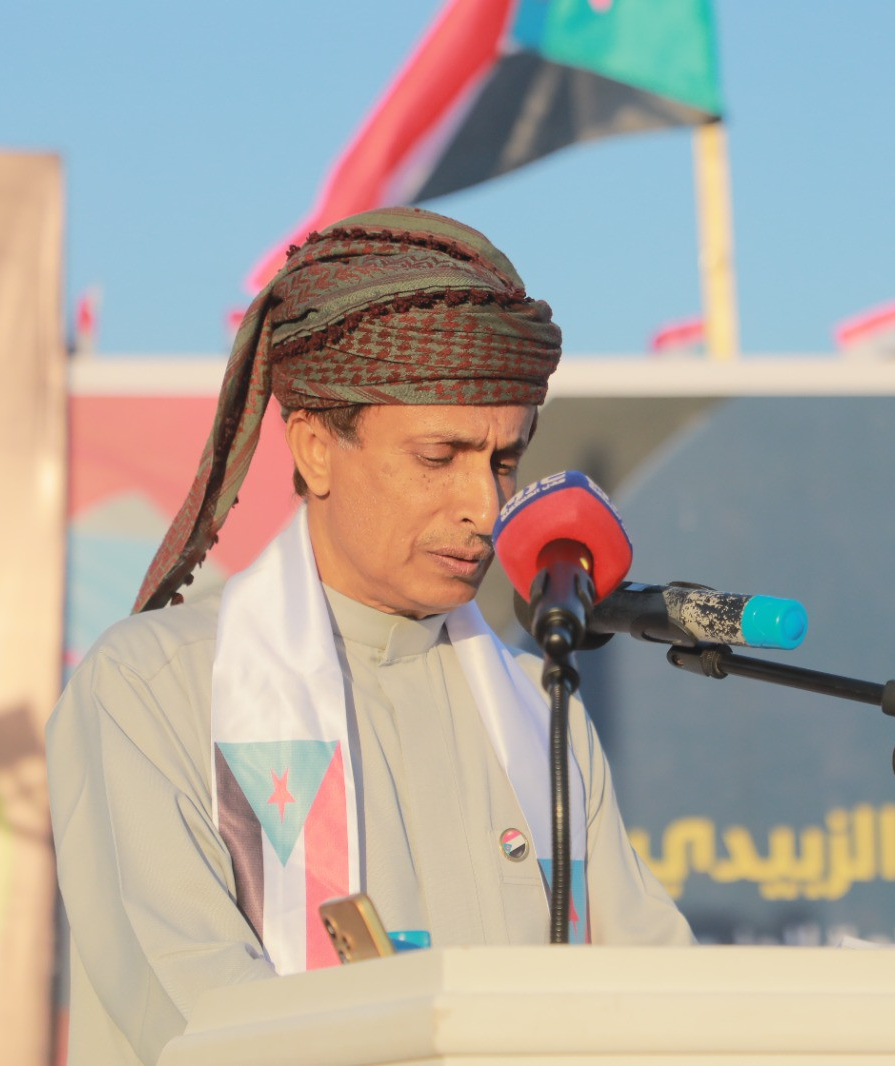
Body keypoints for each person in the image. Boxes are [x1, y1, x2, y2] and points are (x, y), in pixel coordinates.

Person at [46, 207, 692, 1066]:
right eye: (439, 457)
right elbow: (205, 1021)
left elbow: (662, 1001)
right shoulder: (152, 690)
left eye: (503, 461)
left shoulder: (542, 713)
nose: (486, 506)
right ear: (315, 449)